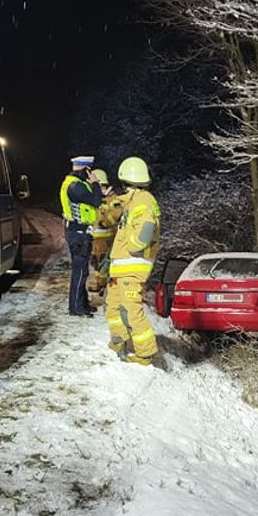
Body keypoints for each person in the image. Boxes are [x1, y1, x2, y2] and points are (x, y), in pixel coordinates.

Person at [106, 156, 162, 366]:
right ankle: (119, 342)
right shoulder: (135, 199)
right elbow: (109, 216)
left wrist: (132, 244)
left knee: (131, 309)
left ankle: (145, 355)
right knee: (113, 307)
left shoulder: (143, 201)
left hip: (132, 266)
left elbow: (145, 230)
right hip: (121, 268)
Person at [59, 155, 102, 316]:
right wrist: (96, 183)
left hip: (76, 231)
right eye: (89, 170)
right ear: (86, 169)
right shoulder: (76, 187)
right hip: (79, 233)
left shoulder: (70, 183)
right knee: (80, 270)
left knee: (82, 270)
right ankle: (76, 307)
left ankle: (82, 304)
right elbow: (96, 200)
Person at [87, 169, 128, 296]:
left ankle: (105, 287)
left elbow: (116, 214)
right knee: (96, 262)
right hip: (96, 239)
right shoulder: (98, 199)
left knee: (105, 263)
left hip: (107, 238)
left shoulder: (113, 199)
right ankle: (100, 284)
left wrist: (105, 222)